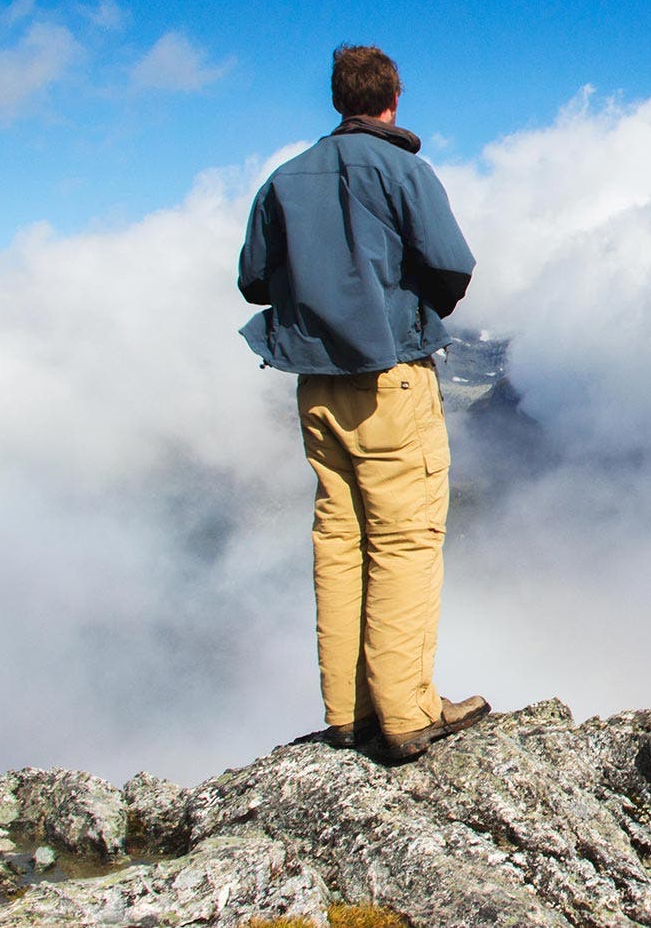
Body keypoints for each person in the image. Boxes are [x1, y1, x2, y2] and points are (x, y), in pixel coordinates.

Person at [237, 44, 488, 763]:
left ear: (338, 98)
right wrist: (398, 305)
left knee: (341, 540)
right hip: (391, 379)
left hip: (316, 384)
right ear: (392, 99)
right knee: (404, 539)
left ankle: (348, 713)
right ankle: (407, 711)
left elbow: (254, 279)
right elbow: (452, 265)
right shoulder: (405, 171)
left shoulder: (284, 180)